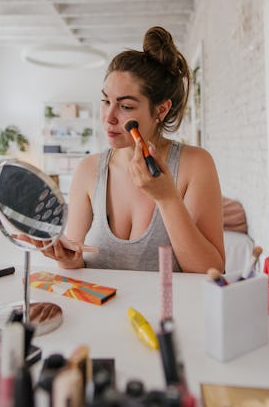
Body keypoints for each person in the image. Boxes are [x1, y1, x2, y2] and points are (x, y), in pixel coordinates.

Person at [35, 26, 225, 273]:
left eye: (125, 106)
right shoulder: (89, 170)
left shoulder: (195, 164)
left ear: (161, 110)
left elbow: (211, 272)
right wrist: (68, 259)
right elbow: (76, 261)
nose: (109, 117)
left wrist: (167, 198)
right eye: (106, 101)